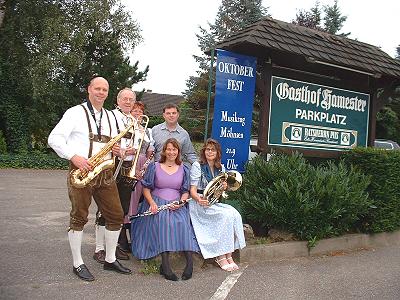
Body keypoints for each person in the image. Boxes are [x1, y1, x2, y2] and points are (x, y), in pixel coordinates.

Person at [48, 76, 131, 282]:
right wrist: (74, 157)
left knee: (116, 215)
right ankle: (78, 263)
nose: (101, 92)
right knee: (79, 217)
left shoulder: (111, 117)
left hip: (104, 172)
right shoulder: (75, 112)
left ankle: (110, 259)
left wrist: (116, 149)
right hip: (82, 170)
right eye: (97, 88)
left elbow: (109, 141)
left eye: (105, 89)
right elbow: (54, 139)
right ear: (89, 89)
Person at [131, 138, 200, 281]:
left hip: (176, 203)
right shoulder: (154, 166)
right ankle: (166, 266)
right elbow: (146, 188)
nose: (171, 152)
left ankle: (189, 264)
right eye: (169, 149)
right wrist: (151, 203)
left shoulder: (184, 168)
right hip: (157, 202)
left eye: (174, 149)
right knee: (164, 220)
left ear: (178, 152)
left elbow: (185, 191)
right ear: (164, 151)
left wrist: (181, 203)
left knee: (183, 222)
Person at [189, 138, 246, 272]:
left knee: (234, 214)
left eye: (213, 150)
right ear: (204, 151)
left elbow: (218, 192)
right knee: (225, 216)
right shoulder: (197, 166)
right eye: (207, 149)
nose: (210, 152)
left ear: (217, 152)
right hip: (199, 203)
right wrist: (199, 199)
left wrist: (224, 187)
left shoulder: (221, 168)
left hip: (212, 203)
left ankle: (229, 254)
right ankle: (220, 255)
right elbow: (192, 190)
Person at [93, 88, 136, 263]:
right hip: (111, 165)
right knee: (104, 208)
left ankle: (113, 247)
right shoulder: (109, 116)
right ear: (117, 100)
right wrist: (113, 148)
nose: (127, 102)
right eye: (124, 99)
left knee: (121, 211)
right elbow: (100, 138)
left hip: (128, 167)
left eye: (131, 99)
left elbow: (139, 142)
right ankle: (99, 249)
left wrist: (134, 149)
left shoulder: (134, 120)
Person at [127, 101, 153, 219]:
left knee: (140, 193)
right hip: (131, 162)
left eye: (140, 111)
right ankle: (126, 221)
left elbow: (149, 150)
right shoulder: (127, 128)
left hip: (144, 165)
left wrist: (147, 166)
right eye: (135, 110)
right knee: (130, 194)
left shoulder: (147, 130)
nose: (138, 113)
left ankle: (135, 219)